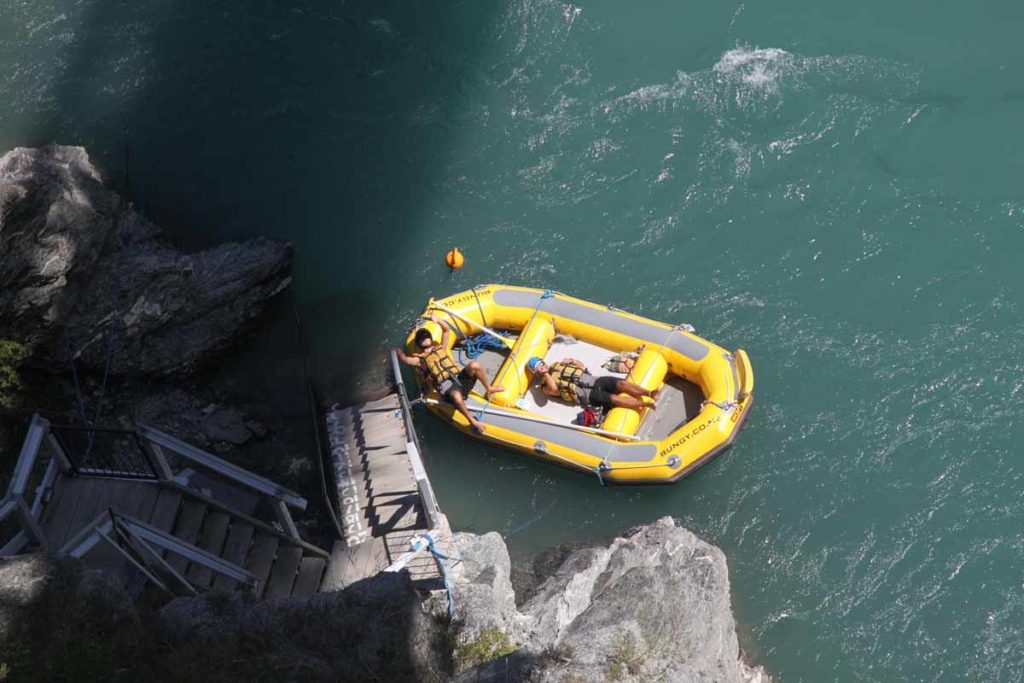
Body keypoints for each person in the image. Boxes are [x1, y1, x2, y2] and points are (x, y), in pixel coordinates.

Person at [395, 314, 504, 433]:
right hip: (446, 388)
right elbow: (405, 359)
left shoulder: (441, 348)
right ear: (419, 346)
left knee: (474, 365)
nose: (428, 348)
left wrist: (438, 321)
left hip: (459, 379)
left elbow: (446, 330)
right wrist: (399, 352)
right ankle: (473, 421)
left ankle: (489, 388)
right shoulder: (419, 360)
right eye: (424, 346)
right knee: (457, 395)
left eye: (429, 344)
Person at [527, 356, 659, 411]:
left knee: (622, 384)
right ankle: (646, 404)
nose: (542, 367)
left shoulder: (557, 364)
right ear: (536, 372)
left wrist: (572, 360)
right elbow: (554, 389)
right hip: (589, 395)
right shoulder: (544, 386)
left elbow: (582, 367)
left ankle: (649, 393)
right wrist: (546, 374)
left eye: (541, 363)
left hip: (595, 380)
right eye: (539, 367)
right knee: (613, 398)